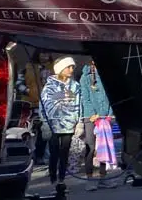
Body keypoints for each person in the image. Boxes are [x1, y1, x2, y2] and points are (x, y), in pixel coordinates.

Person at [40, 57, 81, 189]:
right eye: (68, 67)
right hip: (53, 125)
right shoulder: (49, 86)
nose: (71, 69)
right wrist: (44, 122)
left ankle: (61, 178)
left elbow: (78, 104)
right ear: (61, 68)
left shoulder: (75, 86)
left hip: (69, 124)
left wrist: (79, 122)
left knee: (65, 152)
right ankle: (53, 175)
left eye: (72, 67)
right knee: (54, 152)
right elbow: (44, 104)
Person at [79, 61, 116, 191]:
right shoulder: (85, 77)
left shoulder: (109, 75)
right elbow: (85, 98)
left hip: (106, 117)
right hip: (91, 117)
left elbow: (113, 97)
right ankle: (89, 179)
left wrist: (111, 114)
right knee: (91, 146)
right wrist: (92, 115)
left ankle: (103, 177)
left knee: (104, 147)